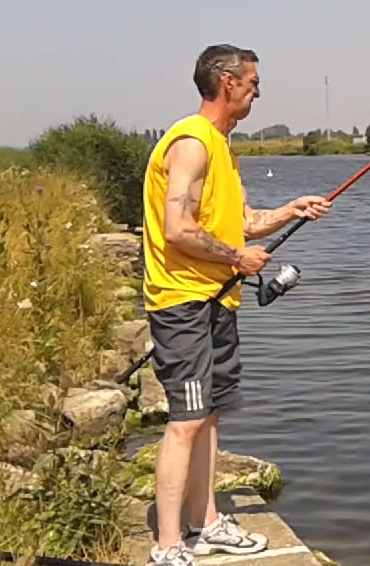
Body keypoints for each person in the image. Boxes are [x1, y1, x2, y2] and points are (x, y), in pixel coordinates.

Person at [142, 44, 332, 566]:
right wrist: (236, 258)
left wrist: (292, 210)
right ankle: (167, 546)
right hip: (184, 304)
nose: (257, 91)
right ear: (227, 83)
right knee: (185, 420)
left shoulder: (221, 148)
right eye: (252, 82)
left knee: (209, 417)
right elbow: (178, 229)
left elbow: (240, 221)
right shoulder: (192, 144)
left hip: (218, 304)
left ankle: (206, 524)